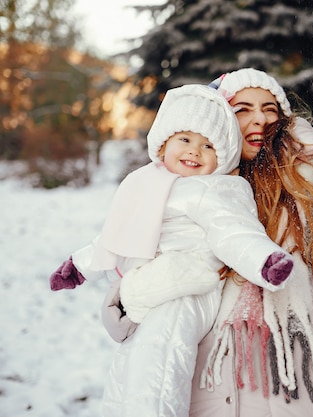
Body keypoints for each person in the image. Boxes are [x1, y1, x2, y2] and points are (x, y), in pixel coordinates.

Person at [102, 68, 313, 417]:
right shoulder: (177, 197)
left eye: (270, 108)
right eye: (243, 109)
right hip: (208, 397)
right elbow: (135, 276)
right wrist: (128, 297)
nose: (260, 119)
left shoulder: (311, 191)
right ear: (215, 124)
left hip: (297, 398)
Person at [49, 84, 295, 417]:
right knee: (132, 370)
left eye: (208, 145)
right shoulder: (146, 183)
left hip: (187, 288)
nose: (194, 151)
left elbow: (235, 233)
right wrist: (79, 266)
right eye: (185, 139)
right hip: (148, 290)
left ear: (221, 157)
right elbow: (113, 235)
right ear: (164, 143)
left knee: (161, 364)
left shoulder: (213, 189)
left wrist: (264, 260)